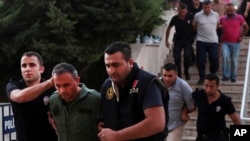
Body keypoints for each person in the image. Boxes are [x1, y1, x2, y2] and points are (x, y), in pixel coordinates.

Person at [98, 41, 167, 141]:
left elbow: (157, 123)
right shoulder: (107, 85)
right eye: (107, 66)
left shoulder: (147, 82)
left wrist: (118, 136)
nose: (111, 70)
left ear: (130, 63)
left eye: (116, 65)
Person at [6, 51, 57, 141]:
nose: (27, 69)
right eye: (24, 66)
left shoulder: (53, 89)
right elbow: (19, 97)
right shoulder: (14, 85)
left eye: (32, 65)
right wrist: (49, 82)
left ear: (41, 69)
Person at [49, 63, 102, 141]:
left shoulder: (95, 99)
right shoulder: (53, 99)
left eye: (66, 85)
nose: (62, 90)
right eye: (58, 86)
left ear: (77, 80)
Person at [192, 73, 241, 141]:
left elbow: (236, 120)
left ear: (217, 86)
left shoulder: (225, 100)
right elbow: (189, 104)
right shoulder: (198, 95)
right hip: (201, 137)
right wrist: (184, 112)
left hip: (218, 137)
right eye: (206, 86)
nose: (208, 89)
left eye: (212, 86)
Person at [161, 63, 193, 141]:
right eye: (165, 75)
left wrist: (184, 112)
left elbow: (192, 103)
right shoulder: (156, 84)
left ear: (176, 74)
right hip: (158, 126)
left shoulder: (183, 86)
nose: (167, 79)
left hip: (175, 125)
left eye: (170, 76)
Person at [219, 3, 249, 82]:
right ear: (225, 10)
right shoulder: (222, 18)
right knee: (225, 57)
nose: (229, 12)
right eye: (228, 10)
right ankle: (225, 76)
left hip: (236, 43)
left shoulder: (239, 17)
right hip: (225, 42)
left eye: (231, 10)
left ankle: (233, 77)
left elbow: (246, 27)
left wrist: (241, 36)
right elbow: (217, 26)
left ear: (234, 10)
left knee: (234, 61)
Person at [192, 0, 220, 84]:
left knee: (214, 58)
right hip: (201, 40)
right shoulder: (198, 15)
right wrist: (199, 32)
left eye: (208, 7)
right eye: (205, 7)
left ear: (211, 6)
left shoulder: (216, 15)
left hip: (213, 40)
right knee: (201, 60)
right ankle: (202, 77)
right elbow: (194, 24)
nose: (207, 9)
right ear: (202, 7)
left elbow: (217, 24)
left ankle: (212, 75)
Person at [165, 3, 194, 80]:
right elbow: (168, 28)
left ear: (186, 11)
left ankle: (186, 71)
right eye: (181, 12)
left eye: (184, 12)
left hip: (188, 41)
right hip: (178, 40)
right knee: (176, 57)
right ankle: (179, 73)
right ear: (178, 11)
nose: (182, 14)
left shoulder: (190, 17)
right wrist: (166, 40)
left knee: (187, 56)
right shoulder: (175, 19)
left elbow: (195, 26)